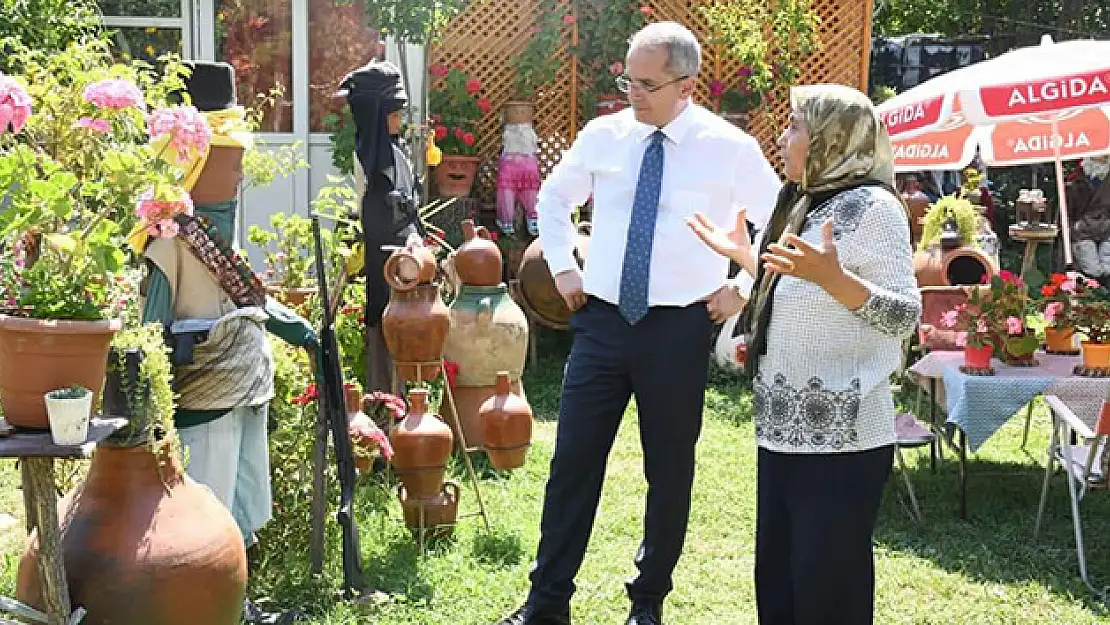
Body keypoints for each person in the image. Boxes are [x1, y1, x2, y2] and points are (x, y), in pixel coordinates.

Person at [494, 21, 781, 625]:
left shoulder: (728, 148)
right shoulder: (605, 135)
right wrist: (564, 266)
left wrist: (744, 288)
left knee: (668, 468)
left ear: (687, 84)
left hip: (678, 329)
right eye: (628, 78)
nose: (634, 92)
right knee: (572, 461)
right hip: (600, 324)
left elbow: (777, 223)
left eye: (648, 83)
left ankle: (647, 601)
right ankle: (547, 603)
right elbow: (553, 199)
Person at [687, 84, 921, 625]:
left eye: (795, 127)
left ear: (830, 140)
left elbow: (905, 314)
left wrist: (835, 277)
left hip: (844, 436)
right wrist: (746, 259)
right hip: (783, 428)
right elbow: (800, 294)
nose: (782, 137)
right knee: (782, 584)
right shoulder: (807, 204)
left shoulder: (874, 208)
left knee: (827, 590)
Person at [136, 60, 317, 623]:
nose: (238, 177)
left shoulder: (220, 237)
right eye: (228, 162)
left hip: (243, 395)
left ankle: (235, 605)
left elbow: (252, 303)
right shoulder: (167, 243)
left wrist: (305, 333)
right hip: (202, 401)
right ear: (194, 164)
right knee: (205, 514)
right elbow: (148, 334)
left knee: (237, 510)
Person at [342, 59, 425, 394]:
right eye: (393, 114)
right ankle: (384, 405)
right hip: (383, 271)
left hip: (410, 268)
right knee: (383, 336)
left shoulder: (397, 156)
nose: (400, 121)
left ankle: (405, 405)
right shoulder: (365, 162)